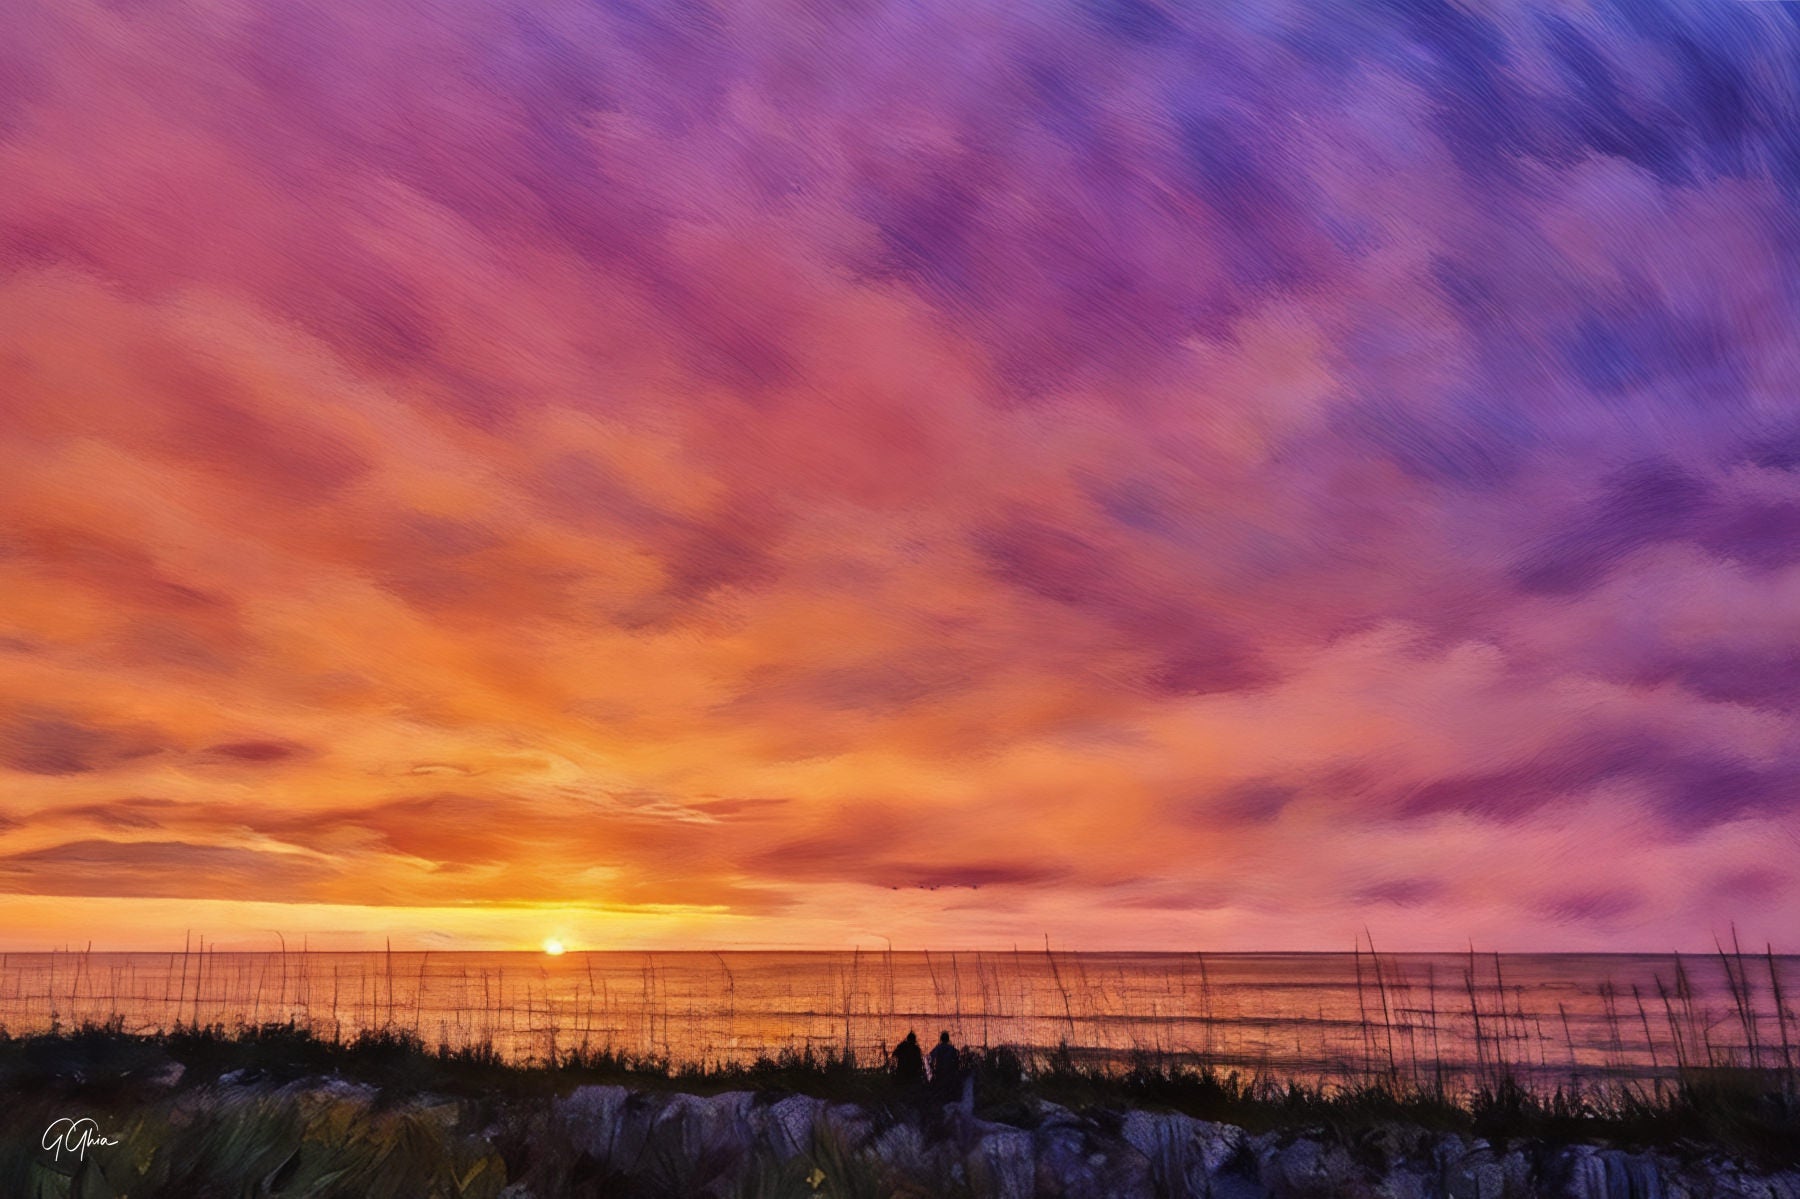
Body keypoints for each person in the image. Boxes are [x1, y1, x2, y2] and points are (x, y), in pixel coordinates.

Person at [927, 1030, 960, 1101]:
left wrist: (932, 1069)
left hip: (939, 1072)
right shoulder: (951, 1048)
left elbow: (929, 1057)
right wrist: (955, 1070)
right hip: (949, 1073)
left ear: (941, 1039)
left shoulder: (938, 1048)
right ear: (948, 1039)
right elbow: (957, 1059)